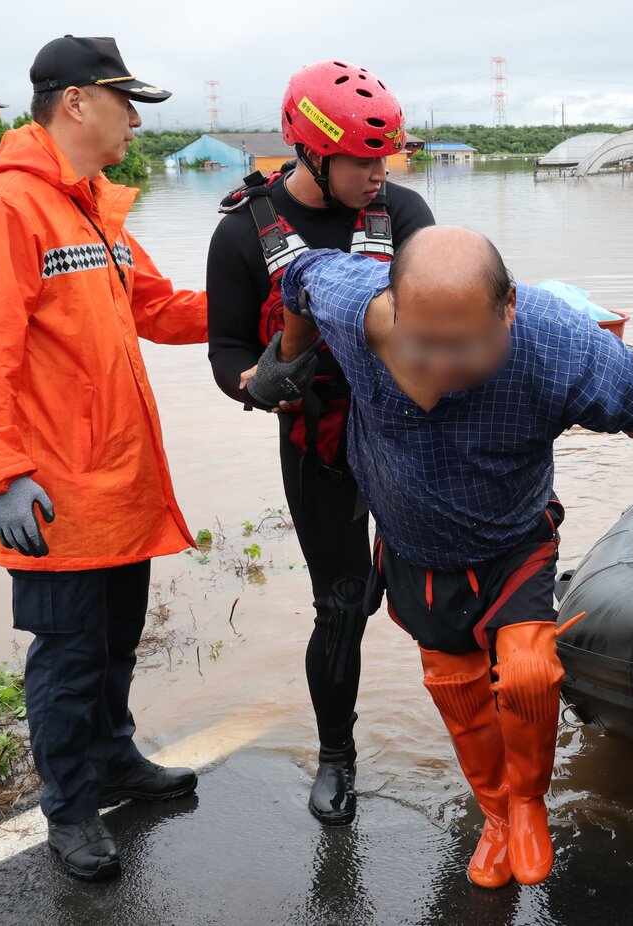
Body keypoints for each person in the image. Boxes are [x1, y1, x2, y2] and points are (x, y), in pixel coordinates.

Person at [244, 225, 633, 889]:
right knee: (455, 691)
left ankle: (528, 804)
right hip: (416, 549)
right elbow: (297, 279)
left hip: (513, 541)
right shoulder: (350, 298)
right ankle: (494, 813)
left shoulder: (564, 348)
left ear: (509, 310)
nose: (439, 364)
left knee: (528, 674)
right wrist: (286, 358)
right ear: (392, 306)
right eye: (422, 343)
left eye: (465, 346)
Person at [0, 36, 206, 881]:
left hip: (120, 483)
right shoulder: (10, 208)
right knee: (66, 658)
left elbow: (157, 308)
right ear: (76, 102)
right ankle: (69, 810)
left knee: (117, 643)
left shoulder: (90, 205)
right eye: (125, 102)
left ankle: (114, 757)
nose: (134, 119)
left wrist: (269, 306)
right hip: (53, 493)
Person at [206, 60, 434, 828]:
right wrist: (251, 383)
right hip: (318, 440)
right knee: (340, 606)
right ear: (310, 151)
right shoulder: (243, 231)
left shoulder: (405, 214)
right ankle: (337, 756)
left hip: (406, 433)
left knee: (449, 585)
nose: (380, 173)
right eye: (363, 159)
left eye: (386, 157)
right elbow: (227, 348)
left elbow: (443, 317)